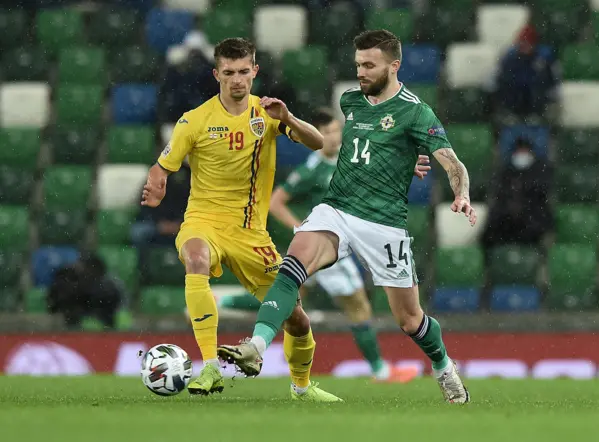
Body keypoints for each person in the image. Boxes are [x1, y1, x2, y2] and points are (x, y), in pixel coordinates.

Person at [219, 30, 476, 404]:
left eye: (369, 65)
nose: (361, 72)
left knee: (410, 320)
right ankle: (256, 346)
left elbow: (451, 162)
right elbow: (361, 150)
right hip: (336, 209)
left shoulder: (417, 112)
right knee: (292, 265)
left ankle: (443, 367)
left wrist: (462, 192)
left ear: (394, 65)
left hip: (384, 224)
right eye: (358, 65)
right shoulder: (351, 101)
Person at [141, 38, 342, 402]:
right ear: (217, 74)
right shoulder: (194, 121)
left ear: (255, 72)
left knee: (297, 318)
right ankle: (209, 367)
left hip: (252, 233)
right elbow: (161, 166)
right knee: (196, 259)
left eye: (244, 72)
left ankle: (301, 388)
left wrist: (289, 118)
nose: (237, 80)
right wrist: (157, 183)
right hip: (204, 220)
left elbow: (317, 143)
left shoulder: (267, 113)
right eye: (229, 73)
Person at [270, 108, 425, 383]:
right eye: (326, 133)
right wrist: (300, 228)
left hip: (343, 241)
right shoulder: (312, 169)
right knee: (358, 307)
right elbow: (275, 201)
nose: (332, 137)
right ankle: (380, 371)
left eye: (335, 130)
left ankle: (226, 302)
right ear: (315, 136)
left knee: (288, 297)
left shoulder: (349, 154)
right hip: (328, 243)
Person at [482, 137, 553, 249]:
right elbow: (499, 193)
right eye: (519, 151)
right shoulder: (506, 172)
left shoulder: (540, 170)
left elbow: (541, 194)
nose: (522, 155)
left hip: (532, 216)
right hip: (506, 218)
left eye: (525, 151)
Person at [495, 24, 557, 124]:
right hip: (516, 93)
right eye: (522, 43)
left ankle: (535, 115)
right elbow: (502, 78)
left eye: (528, 43)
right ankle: (512, 114)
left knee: (538, 87)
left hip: (535, 95)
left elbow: (551, 79)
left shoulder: (543, 58)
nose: (525, 46)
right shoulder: (511, 58)